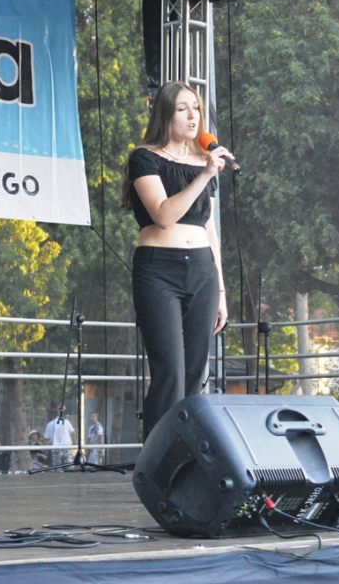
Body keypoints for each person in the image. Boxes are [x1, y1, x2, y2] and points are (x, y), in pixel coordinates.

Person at [121, 81, 229, 440]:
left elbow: (210, 230)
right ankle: (157, 459)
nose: (192, 116)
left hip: (202, 270)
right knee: (170, 370)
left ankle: (187, 455)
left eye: (196, 108)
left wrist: (221, 291)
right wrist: (205, 175)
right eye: (183, 109)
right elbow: (164, 215)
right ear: (165, 114)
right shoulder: (144, 158)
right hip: (158, 269)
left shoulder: (203, 162)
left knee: (195, 372)